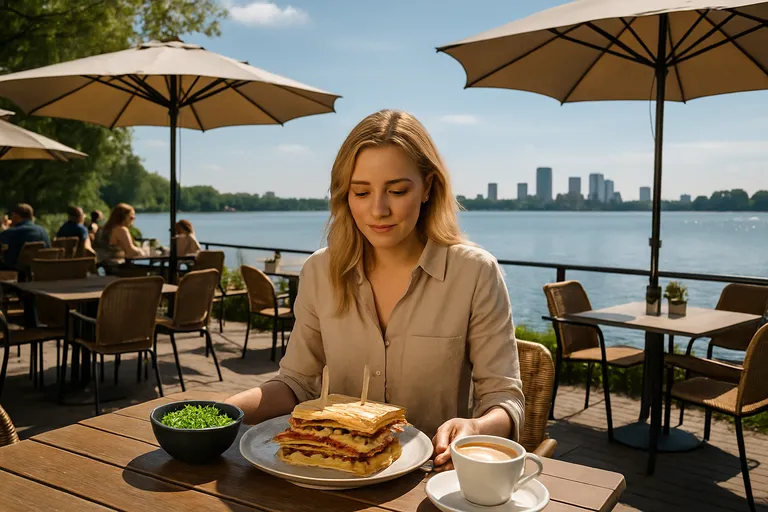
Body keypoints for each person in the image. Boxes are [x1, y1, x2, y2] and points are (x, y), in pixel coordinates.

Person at [225, 110, 524, 472]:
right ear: (344, 194)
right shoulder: (319, 272)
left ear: (428, 187)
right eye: (361, 192)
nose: (378, 210)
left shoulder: (475, 272)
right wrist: (224, 410)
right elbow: (295, 383)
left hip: (428, 481)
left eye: (397, 191)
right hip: (330, 470)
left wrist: (476, 427)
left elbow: (504, 399)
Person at [0, 203, 50, 269]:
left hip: (16, 271)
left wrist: (4, 229)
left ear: (16, 216)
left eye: (12, 216)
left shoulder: (13, 232)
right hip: (41, 270)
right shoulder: (43, 231)